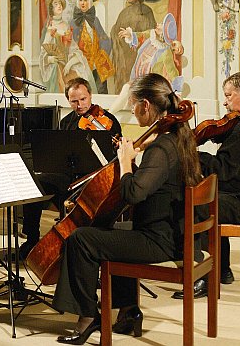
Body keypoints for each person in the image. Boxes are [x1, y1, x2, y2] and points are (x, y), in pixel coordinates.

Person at [53, 73, 202, 344]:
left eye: (133, 104)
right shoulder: (177, 137)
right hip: (171, 232)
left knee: (80, 239)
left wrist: (125, 162)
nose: (132, 110)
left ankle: (88, 316)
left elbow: (133, 192)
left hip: (159, 239)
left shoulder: (161, 147)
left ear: (146, 105)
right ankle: (128, 311)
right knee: (105, 229)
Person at [173, 70, 240, 299]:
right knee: (216, 199)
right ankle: (222, 269)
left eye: (228, 95)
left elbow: (221, 170)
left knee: (198, 204)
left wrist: (194, 155)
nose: (225, 102)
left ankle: (204, 277)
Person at [19, 77, 121, 259]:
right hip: (68, 175)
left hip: (94, 177)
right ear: (68, 101)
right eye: (74, 101)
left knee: (73, 196)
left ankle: (76, 245)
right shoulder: (66, 122)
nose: (80, 105)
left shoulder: (108, 121)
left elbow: (113, 159)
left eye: (83, 99)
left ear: (90, 96)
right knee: (34, 185)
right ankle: (32, 240)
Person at [109, 0, 159, 93]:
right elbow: (116, 30)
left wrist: (134, 38)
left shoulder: (147, 12)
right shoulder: (124, 12)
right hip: (123, 56)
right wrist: (114, 32)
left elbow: (150, 35)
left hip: (139, 55)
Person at [64, 0, 114, 93]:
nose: (83, 2)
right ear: (77, 2)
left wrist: (101, 56)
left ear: (90, 2)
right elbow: (70, 47)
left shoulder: (95, 20)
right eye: (80, 0)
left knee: (101, 91)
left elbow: (105, 39)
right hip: (82, 65)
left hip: (97, 64)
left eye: (86, 0)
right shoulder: (73, 23)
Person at [40, 0, 73, 93]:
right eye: (55, 4)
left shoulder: (66, 25)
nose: (59, 6)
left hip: (67, 61)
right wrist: (50, 59)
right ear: (51, 9)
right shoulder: (50, 27)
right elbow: (43, 51)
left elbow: (72, 47)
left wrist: (71, 61)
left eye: (60, 4)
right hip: (56, 64)